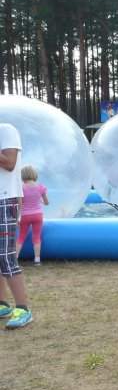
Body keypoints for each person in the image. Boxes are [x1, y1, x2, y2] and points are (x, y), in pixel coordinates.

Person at [0, 123, 33, 329]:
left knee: (5, 256)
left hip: (5, 199)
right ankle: (3, 305)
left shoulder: (6, 130)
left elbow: (10, 163)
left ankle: (23, 309)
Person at [18, 165, 49, 265]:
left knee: (21, 237)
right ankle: (37, 260)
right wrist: (40, 201)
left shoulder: (21, 188)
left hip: (25, 215)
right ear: (34, 174)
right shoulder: (41, 187)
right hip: (38, 215)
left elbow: (20, 204)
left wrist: (17, 217)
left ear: (22, 176)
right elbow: (47, 202)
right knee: (36, 237)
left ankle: (14, 259)